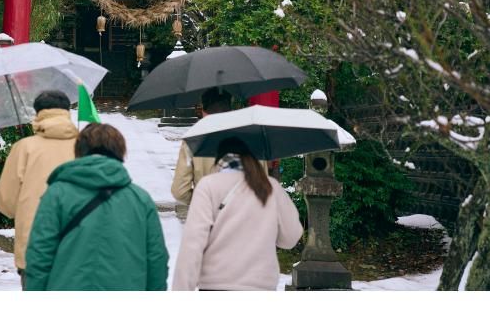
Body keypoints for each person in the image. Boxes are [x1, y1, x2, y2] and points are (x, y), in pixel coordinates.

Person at [24, 123, 169, 290]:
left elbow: (40, 254)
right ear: (121, 152)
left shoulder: (56, 194)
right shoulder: (140, 199)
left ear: (78, 151)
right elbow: (156, 259)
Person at [172, 136, 303, 291]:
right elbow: (290, 238)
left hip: (216, 284)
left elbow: (193, 243)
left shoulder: (208, 186)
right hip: (261, 284)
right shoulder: (270, 187)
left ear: (219, 158)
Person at [0, 89, 78, 289]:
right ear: (67, 111)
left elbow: (7, 204)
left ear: (38, 112)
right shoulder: (86, 145)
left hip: (35, 249)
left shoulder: (24, 148)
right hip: (79, 246)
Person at [170, 87, 232, 207]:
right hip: (244, 217)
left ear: (204, 112)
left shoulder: (193, 140)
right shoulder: (250, 137)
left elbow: (179, 190)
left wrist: (201, 201)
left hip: (208, 215)